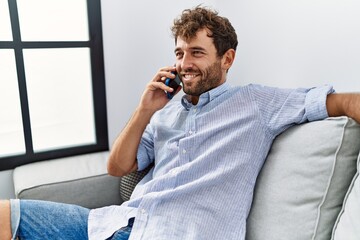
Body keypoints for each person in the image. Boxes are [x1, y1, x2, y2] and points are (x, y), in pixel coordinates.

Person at [1, 6, 360, 240]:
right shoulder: (165, 112)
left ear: (227, 58)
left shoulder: (256, 103)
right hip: (118, 224)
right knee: (5, 214)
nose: (185, 62)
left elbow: (342, 102)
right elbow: (117, 167)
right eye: (179, 53)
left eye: (197, 53)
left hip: (180, 233)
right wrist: (145, 110)